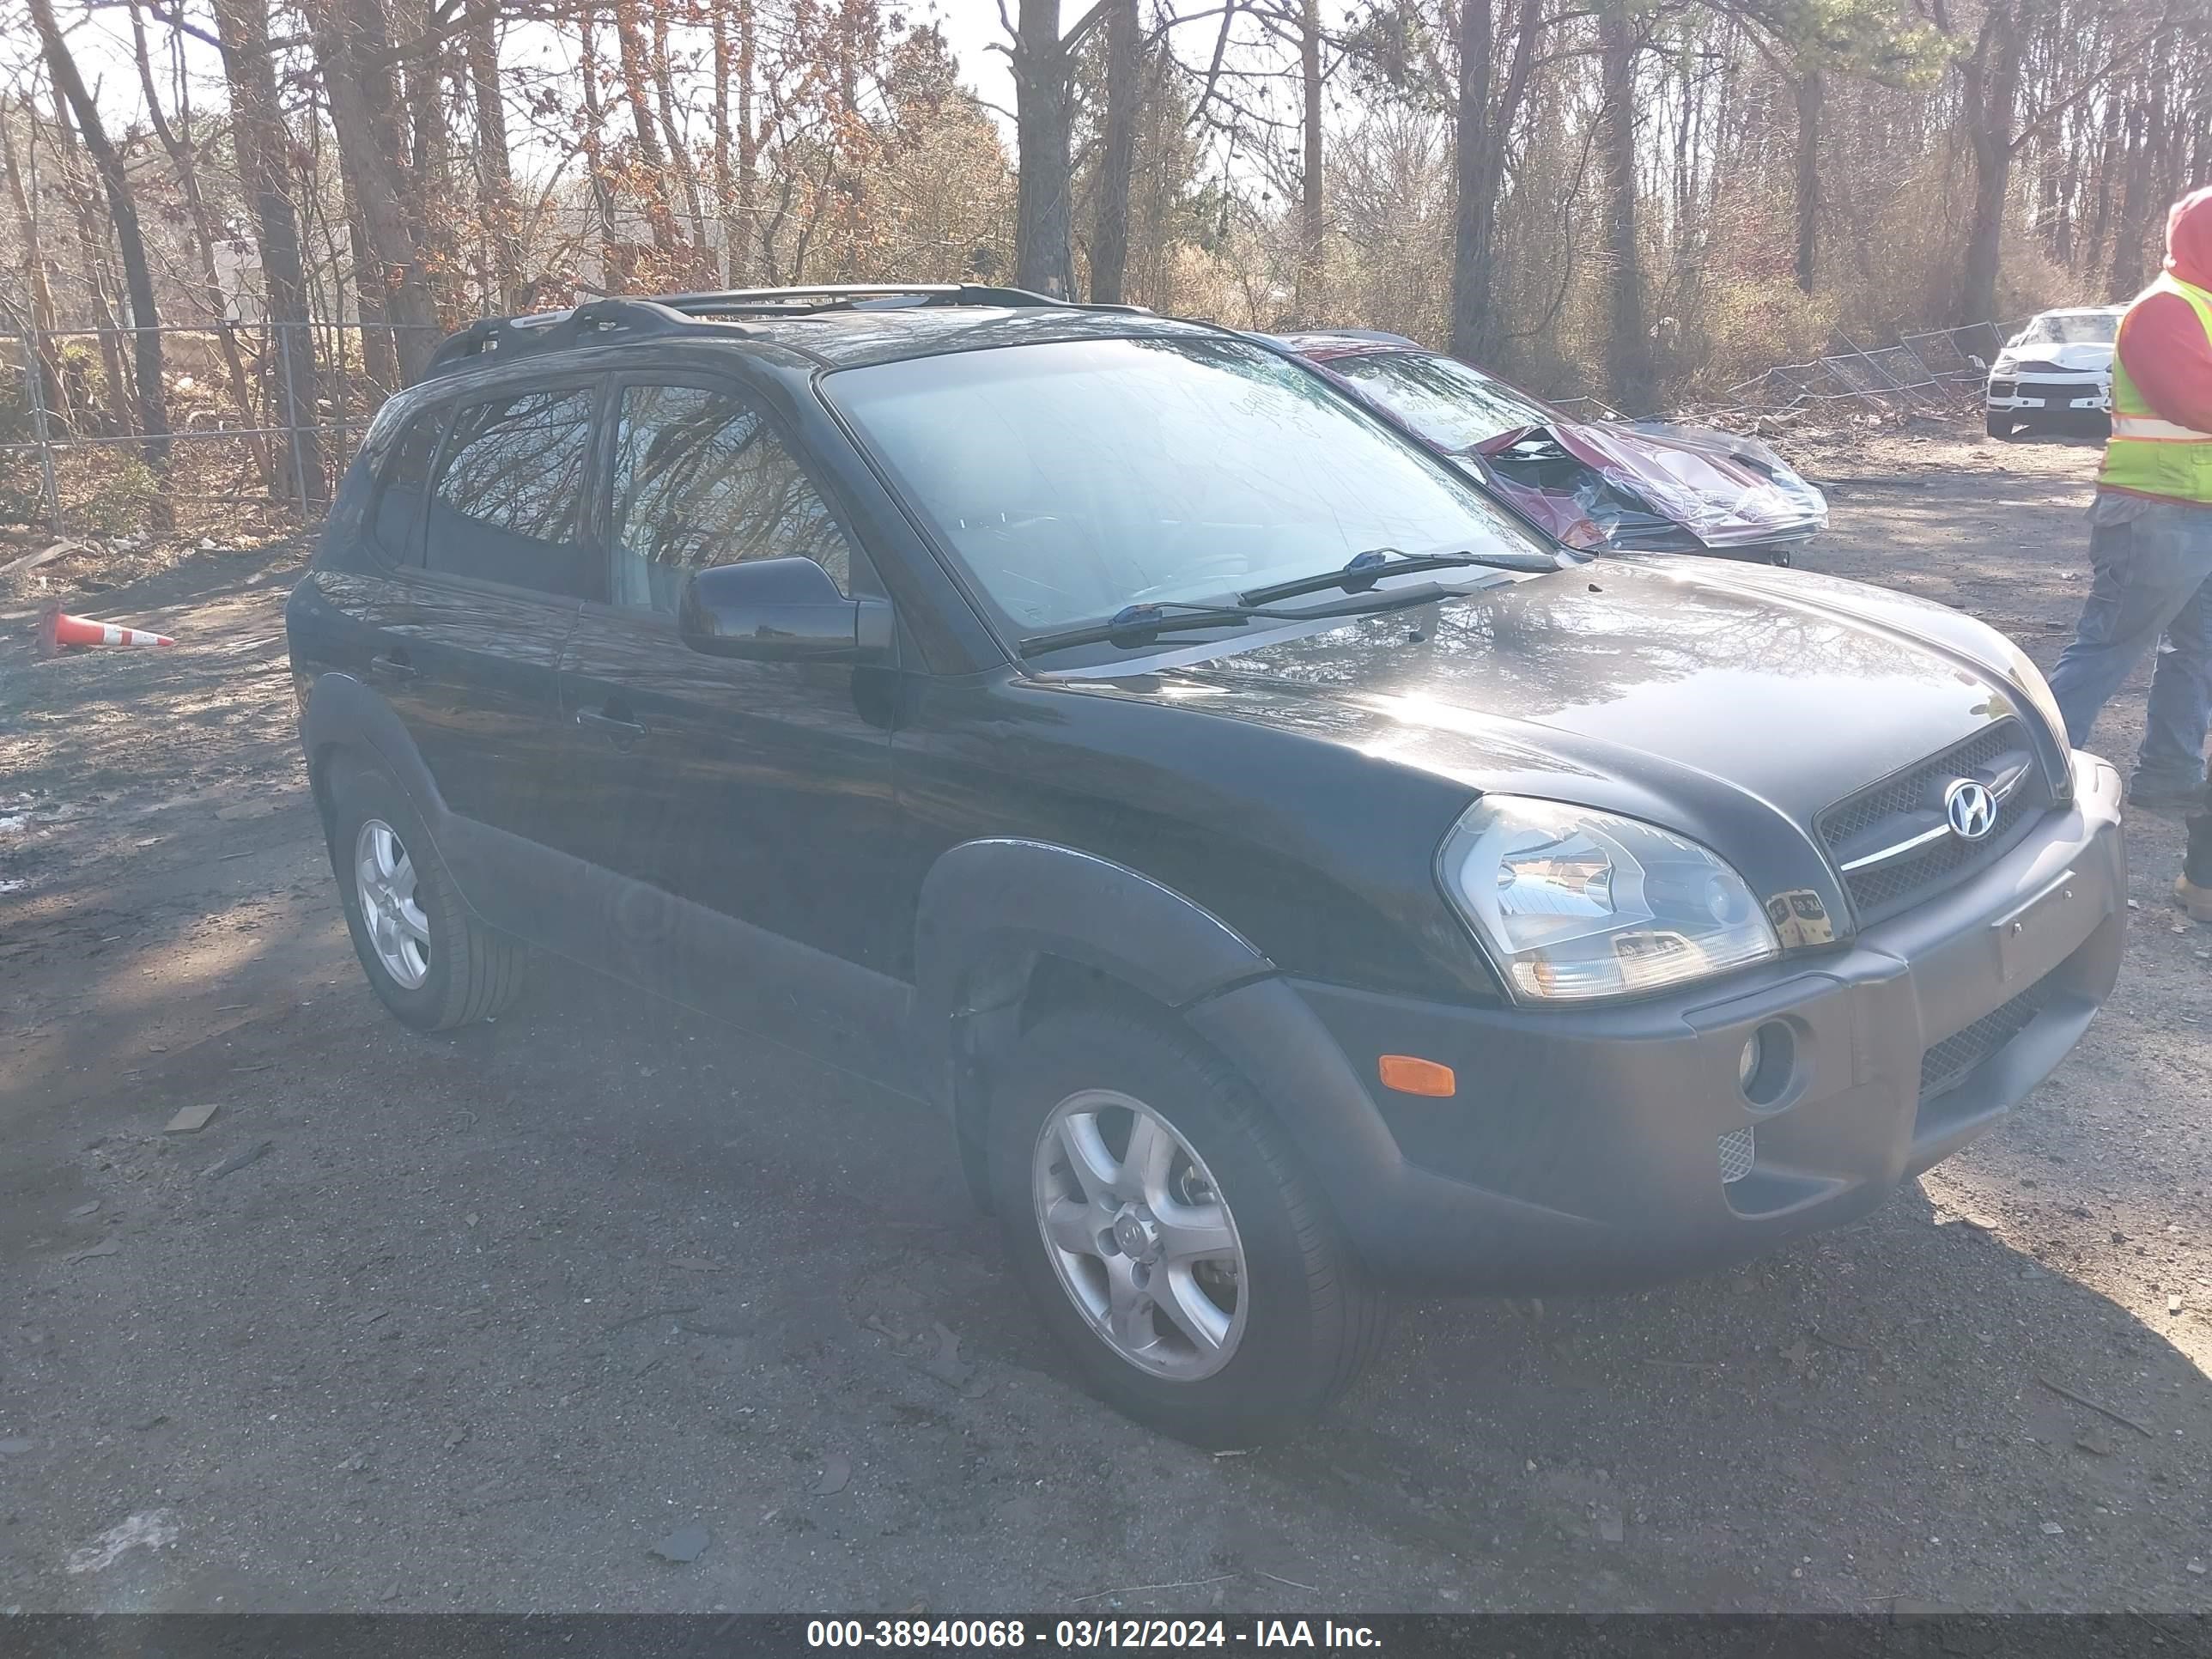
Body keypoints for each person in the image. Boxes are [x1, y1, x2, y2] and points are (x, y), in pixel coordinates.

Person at [2045, 185, 2212, 808]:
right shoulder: (2167, 308)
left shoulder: (2203, 305)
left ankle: (2170, 778)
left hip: (2193, 512)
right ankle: (2035, 774)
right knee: (2109, 648)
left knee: (2196, 654)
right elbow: (2196, 402)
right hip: (2155, 514)